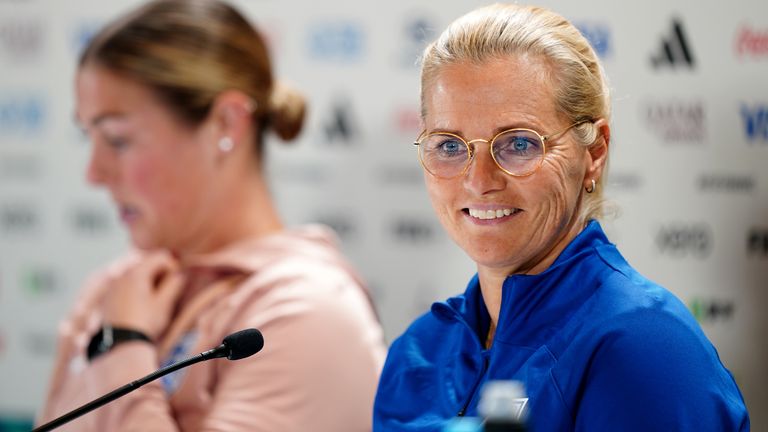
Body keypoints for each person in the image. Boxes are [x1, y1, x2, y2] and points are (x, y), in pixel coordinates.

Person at [373, 4, 749, 431]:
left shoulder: (642, 348)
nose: (479, 181)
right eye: (450, 145)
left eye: (518, 144)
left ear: (594, 153)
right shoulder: (418, 353)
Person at [37, 1, 385, 430]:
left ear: (226, 123)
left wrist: (124, 346)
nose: (94, 174)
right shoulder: (114, 286)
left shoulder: (310, 310)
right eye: (88, 136)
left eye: (118, 139)